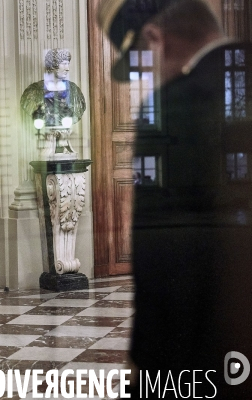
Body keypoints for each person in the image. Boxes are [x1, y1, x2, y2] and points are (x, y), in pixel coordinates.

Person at [97, 0, 252, 397]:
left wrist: (146, 373)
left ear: (155, 38)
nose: (144, 77)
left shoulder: (173, 107)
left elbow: (163, 258)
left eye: (140, 63)